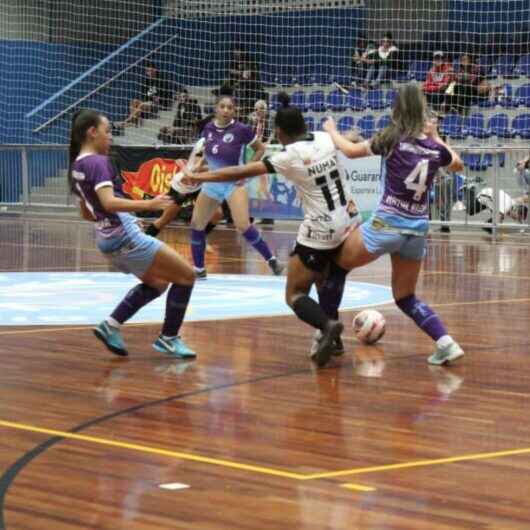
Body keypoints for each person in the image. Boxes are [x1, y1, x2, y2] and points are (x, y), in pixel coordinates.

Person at [183, 93, 363, 366]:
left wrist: (199, 175)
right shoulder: (324, 138)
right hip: (350, 220)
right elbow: (353, 140)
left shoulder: (288, 155)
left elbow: (237, 172)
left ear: (279, 132)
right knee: (322, 279)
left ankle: (328, 326)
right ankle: (334, 338)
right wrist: (342, 132)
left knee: (294, 294)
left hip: (322, 228)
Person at [322, 83, 465, 367]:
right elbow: (457, 164)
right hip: (417, 229)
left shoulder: (391, 137)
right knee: (405, 296)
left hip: (386, 224)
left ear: (396, 109)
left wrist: (332, 131)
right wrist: (437, 137)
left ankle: (328, 336)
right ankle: (446, 344)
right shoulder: (434, 148)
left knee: (336, 266)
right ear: (422, 110)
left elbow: (350, 151)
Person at [69, 109, 196, 359]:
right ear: (92, 133)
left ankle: (111, 325)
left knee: (158, 283)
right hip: (125, 238)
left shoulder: (76, 166)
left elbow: (89, 213)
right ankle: (169, 338)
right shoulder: (98, 162)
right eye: (107, 132)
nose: (110, 138)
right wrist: (148, 206)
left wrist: (126, 217)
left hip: (106, 239)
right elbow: (108, 202)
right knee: (186, 276)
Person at [188, 90, 282, 279]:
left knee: (243, 225)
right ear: (216, 109)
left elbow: (260, 148)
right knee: (196, 224)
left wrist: (246, 171)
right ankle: (199, 269)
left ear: (234, 111)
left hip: (234, 184)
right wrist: (198, 167)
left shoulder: (241, 129)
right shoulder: (207, 128)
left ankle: (271, 260)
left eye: (230, 107)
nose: (226, 110)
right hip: (212, 182)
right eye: (222, 107)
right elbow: (208, 152)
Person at [115, 63, 172, 129]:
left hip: (159, 104)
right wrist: (150, 96)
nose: (149, 72)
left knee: (142, 105)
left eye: (150, 70)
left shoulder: (161, 80)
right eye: (147, 71)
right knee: (134, 102)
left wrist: (156, 97)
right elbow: (145, 95)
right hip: (149, 102)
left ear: (155, 70)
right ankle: (134, 121)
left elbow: (163, 94)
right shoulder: (147, 81)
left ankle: (126, 122)